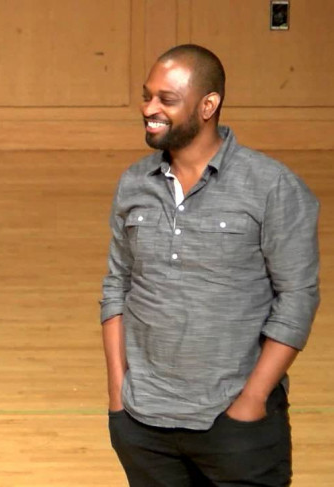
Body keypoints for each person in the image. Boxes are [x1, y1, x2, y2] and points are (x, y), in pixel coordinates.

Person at [100, 44, 319, 486]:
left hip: (236, 426)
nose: (150, 109)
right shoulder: (133, 184)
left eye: (166, 99)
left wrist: (252, 401)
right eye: (147, 96)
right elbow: (116, 286)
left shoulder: (272, 186)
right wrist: (118, 395)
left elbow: (297, 298)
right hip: (144, 425)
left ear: (208, 105)